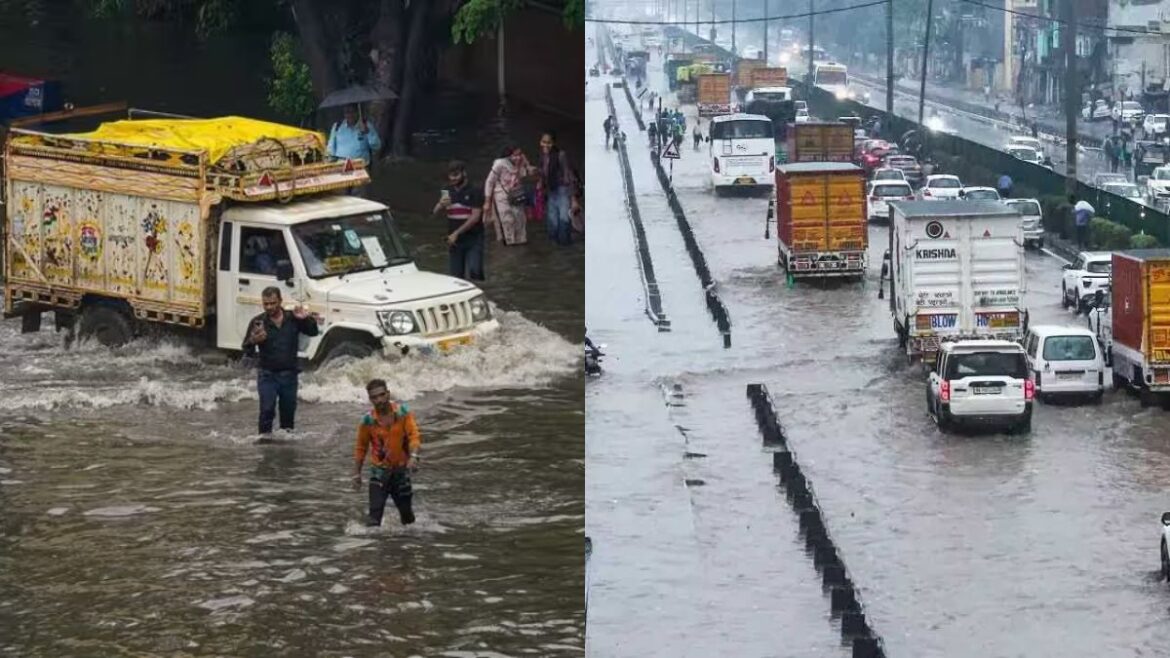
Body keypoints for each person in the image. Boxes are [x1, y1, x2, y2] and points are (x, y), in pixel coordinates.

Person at [242, 287, 321, 436]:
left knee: (288, 416)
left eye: (273, 303)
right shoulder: (258, 322)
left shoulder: (293, 318)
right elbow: (246, 349)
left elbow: (313, 332)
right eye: (266, 304)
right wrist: (254, 340)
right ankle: (264, 445)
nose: (269, 307)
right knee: (267, 410)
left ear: (280, 301)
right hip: (267, 375)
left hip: (289, 376)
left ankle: (286, 453)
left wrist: (306, 318)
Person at [351, 379, 421, 527]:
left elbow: (413, 436)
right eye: (374, 397)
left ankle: (406, 547)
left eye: (381, 395)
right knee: (374, 520)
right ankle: (371, 547)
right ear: (370, 399)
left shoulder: (403, 413)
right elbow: (361, 448)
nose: (379, 400)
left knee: (408, 520)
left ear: (388, 394)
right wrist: (356, 474)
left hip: (401, 472)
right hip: (379, 473)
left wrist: (414, 456)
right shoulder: (367, 421)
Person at [433, 160, 484, 281]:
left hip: (473, 238)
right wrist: (440, 204)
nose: (453, 178)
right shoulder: (446, 190)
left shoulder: (475, 190)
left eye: (456, 175)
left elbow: (475, 217)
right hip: (455, 241)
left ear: (464, 173)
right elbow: (435, 213)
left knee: (475, 271)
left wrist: (457, 233)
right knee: (456, 278)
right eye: (451, 175)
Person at [327, 104, 382, 197]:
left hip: (361, 166)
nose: (349, 115)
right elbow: (331, 147)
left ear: (357, 112)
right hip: (341, 165)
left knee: (360, 197)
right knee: (340, 196)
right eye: (347, 112)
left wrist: (367, 132)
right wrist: (329, 164)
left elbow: (376, 146)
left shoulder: (366, 125)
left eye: (352, 112)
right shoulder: (337, 126)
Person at [484, 144, 533, 246]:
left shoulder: (521, 162)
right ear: (508, 155)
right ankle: (509, 244)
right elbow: (489, 182)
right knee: (507, 220)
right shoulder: (499, 164)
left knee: (520, 220)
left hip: (517, 195)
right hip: (502, 196)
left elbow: (530, 174)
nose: (517, 157)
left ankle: (521, 244)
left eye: (519, 154)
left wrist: (526, 163)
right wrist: (487, 201)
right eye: (515, 155)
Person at [540, 131, 580, 246]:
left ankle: (565, 247)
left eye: (549, 143)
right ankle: (555, 249)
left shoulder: (561, 155)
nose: (546, 145)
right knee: (553, 222)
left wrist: (573, 199)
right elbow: (544, 174)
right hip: (551, 191)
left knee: (564, 220)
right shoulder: (543, 157)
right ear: (540, 142)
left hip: (563, 191)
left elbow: (569, 176)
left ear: (553, 143)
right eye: (544, 142)